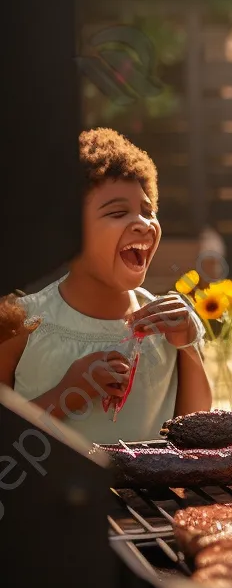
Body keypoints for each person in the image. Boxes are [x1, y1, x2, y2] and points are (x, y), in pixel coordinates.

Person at [0, 128, 211, 442]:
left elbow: (197, 433)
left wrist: (189, 344)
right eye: (117, 212)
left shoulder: (169, 324)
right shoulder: (20, 323)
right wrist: (69, 394)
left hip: (152, 493)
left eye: (148, 211)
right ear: (67, 233)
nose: (143, 223)